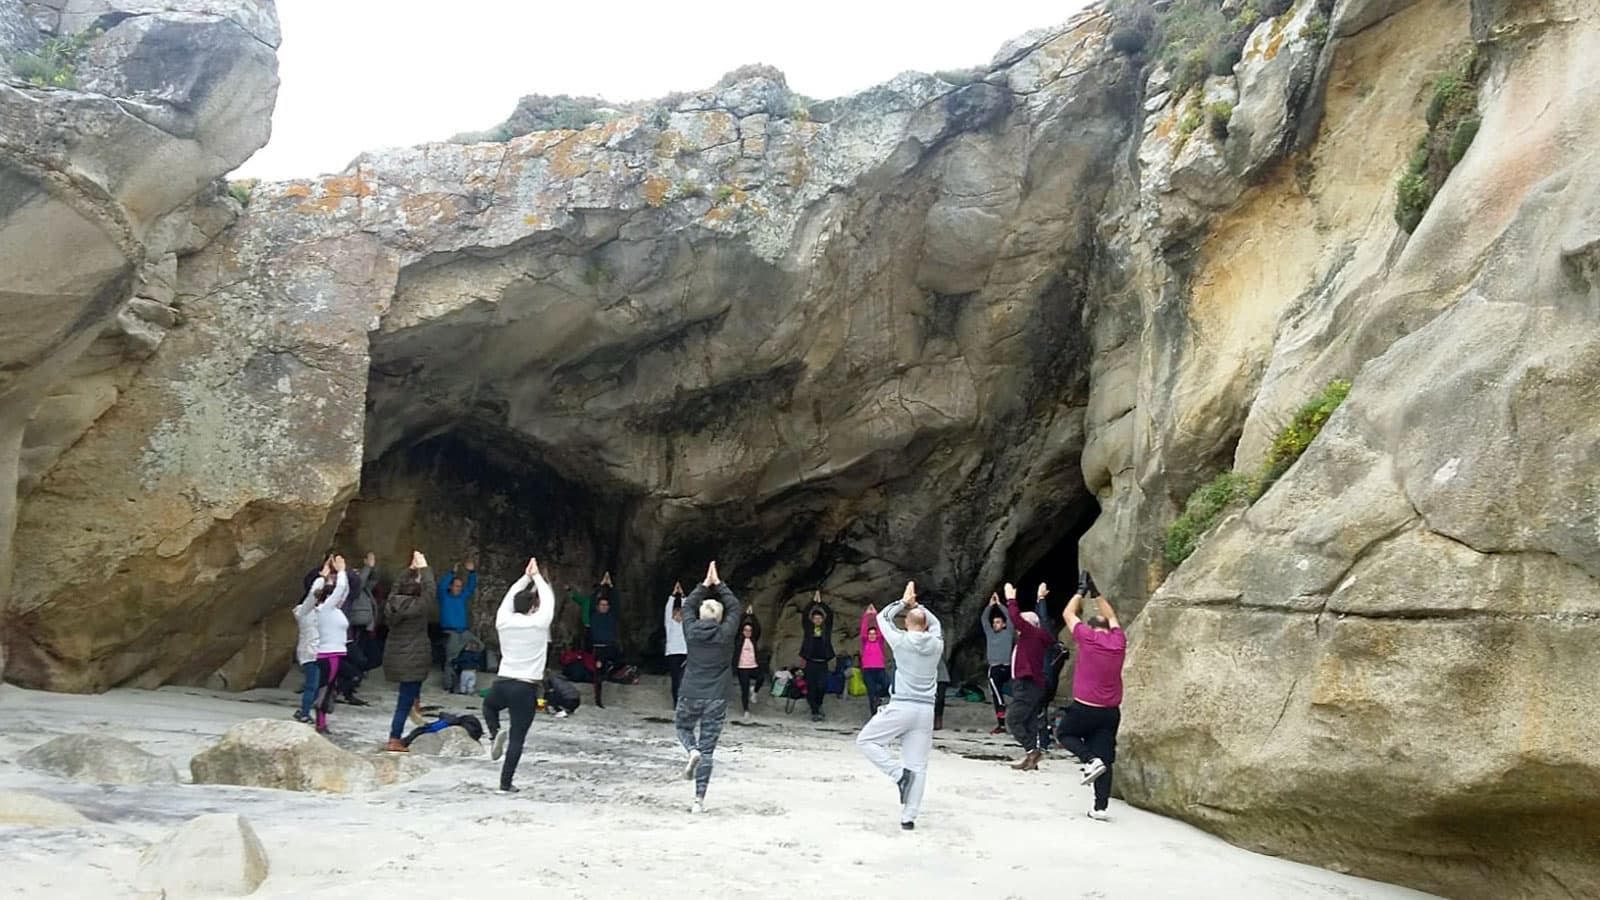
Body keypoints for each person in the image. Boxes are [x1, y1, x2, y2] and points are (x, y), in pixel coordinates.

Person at [855, 581, 943, 831]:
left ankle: (897, 774)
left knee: (866, 741)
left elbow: (882, 618)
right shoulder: (937, 643)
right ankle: (908, 818)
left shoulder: (901, 642)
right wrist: (919, 607)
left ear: (906, 624)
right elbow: (935, 624)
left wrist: (904, 603)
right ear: (925, 625)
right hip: (926, 710)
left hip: (902, 705)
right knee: (919, 765)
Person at [1055, 572, 1127, 821]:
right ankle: (1099, 808)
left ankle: (1089, 759)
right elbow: (1112, 616)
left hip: (1085, 708)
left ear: (1092, 629)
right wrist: (1096, 593)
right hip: (1110, 712)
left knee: (1064, 734)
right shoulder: (1119, 641)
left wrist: (1080, 591)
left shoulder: (1088, 638)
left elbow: (1068, 614)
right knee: (1106, 758)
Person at [675, 560, 742, 813]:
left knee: (683, 726)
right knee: (709, 749)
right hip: (716, 696)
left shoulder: (690, 631)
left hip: (690, 691)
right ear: (720, 618)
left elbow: (688, 605)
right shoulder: (725, 634)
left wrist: (704, 585)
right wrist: (720, 585)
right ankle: (698, 800)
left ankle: (691, 750)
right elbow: (735, 607)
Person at [484, 556, 555, 794]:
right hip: (525, 687)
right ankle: (505, 783)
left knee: (489, 707)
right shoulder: (538, 624)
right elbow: (549, 601)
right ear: (532, 607)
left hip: (502, 682)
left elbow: (509, 597)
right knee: (517, 737)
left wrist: (525, 577)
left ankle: (494, 732)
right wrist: (537, 577)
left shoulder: (503, 621)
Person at [382, 551, 434, 752]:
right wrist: (424, 568)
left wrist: (409, 571)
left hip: (397, 656)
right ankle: (394, 738)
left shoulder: (391, 604)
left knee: (407, 694)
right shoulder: (418, 607)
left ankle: (415, 704)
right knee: (404, 700)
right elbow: (430, 591)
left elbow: (395, 589)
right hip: (412, 657)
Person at [1005, 581, 1053, 771]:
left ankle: (1032, 750)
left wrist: (1010, 599)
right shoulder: (1037, 635)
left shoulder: (1030, 633)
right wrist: (1039, 599)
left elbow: (1016, 618)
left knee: (1013, 720)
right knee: (1030, 721)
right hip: (1035, 684)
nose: (1017, 629)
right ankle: (1030, 760)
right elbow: (1039, 620)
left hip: (1026, 683)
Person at [311, 555, 351, 733]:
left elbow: (345, 591)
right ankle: (320, 723)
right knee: (325, 687)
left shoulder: (334, 610)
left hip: (335, 653)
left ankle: (322, 721)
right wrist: (341, 570)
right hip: (330, 654)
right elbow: (341, 588)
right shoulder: (325, 609)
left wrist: (330, 573)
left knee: (329, 686)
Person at [291, 564, 327, 724]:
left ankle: (305, 711)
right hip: (309, 652)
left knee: (316, 684)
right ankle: (305, 713)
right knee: (312, 685)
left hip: (317, 652)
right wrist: (322, 578)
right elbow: (313, 594)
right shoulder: (304, 611)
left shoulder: (319, 610)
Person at [437, 560, 477, 692]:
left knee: (478, 646)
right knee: (451, 658)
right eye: (456, 586)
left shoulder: (462, 597)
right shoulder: (444, 597)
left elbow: (471, 587)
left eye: (460, 586)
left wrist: (471, 572)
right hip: (450, 632)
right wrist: (451, 573)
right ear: (450, 587)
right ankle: (448, 686)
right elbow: (441, 586)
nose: (459, 589)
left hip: (464, 631)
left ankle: (466, 681)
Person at [798, 592, 835, 722]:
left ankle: (819, 704)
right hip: (810, 662)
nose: (818, 620)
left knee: (822, 686)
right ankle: (814, 711)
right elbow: (804, 615)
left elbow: (830, 615)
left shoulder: (826, 629)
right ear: (812, 620)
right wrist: (813, 603)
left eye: (820, 618)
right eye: (815, 618)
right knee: (811, 686)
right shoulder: (808, 629)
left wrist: (821, 604)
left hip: (823, 662)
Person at [983, 592, 1014, 734]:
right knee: (995, 694)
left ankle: (1004, 706)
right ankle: (1001, 724)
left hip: (1007, 667)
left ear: (1003, 624)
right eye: (994, 622)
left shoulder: (1007, 633)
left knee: (1006, 692)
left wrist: (1000, 605)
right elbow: (983, 620)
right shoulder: (990, 633)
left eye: (998, 622)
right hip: (994, 667)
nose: (995, 624)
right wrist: (990, 606)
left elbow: (1010, 617)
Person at [589, 586, 622, 708]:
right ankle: (598, 700)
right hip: (599, 648)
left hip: (611, 647)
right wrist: (600, 587)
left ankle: (608, 674)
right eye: (602, 605)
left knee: (621, 663)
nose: (604, 607)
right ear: (598, 606)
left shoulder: (611, 616)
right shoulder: (594, 616)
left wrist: (611, 588)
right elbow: (592, 601)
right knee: (598, 674)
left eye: (606, 605)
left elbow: (616, 603)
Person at [859, 604, 889, 718]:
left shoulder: (879, 641)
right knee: (871, 692)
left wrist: (875, 615)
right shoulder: (865, 641)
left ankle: (879, 697)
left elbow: (881, 630)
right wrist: (867, 615)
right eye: (870, 634)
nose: (872, 635)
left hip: (879, 669)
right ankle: (873, 714)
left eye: (874, 634)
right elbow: (863, 630)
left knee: (886, 685)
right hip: (867, 670)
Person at [664, 581, 688, 705]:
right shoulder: (670, 624)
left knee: (684, 679)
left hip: (685, 653)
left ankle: (683, 701)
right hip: (673, 653)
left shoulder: (686, 625)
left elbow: (689, 611)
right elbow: (668, 611)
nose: (678, 616)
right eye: (676, 614)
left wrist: (683, 597)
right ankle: (676, 701)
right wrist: (673, 596)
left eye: (680, 614)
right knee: (675, 679)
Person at [734, 618, 761, 717]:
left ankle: (754, 691)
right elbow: (737, 627)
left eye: (750, 630)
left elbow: (758, 629)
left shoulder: (753, 640)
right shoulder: (739, 640)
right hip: (742, 667)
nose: (748, 632)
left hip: (753, 666)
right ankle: (746, 710)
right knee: (744, 689)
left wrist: (753, 616)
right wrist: (745, 615)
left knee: (761, 678)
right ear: (742, 631)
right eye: (746, 630)